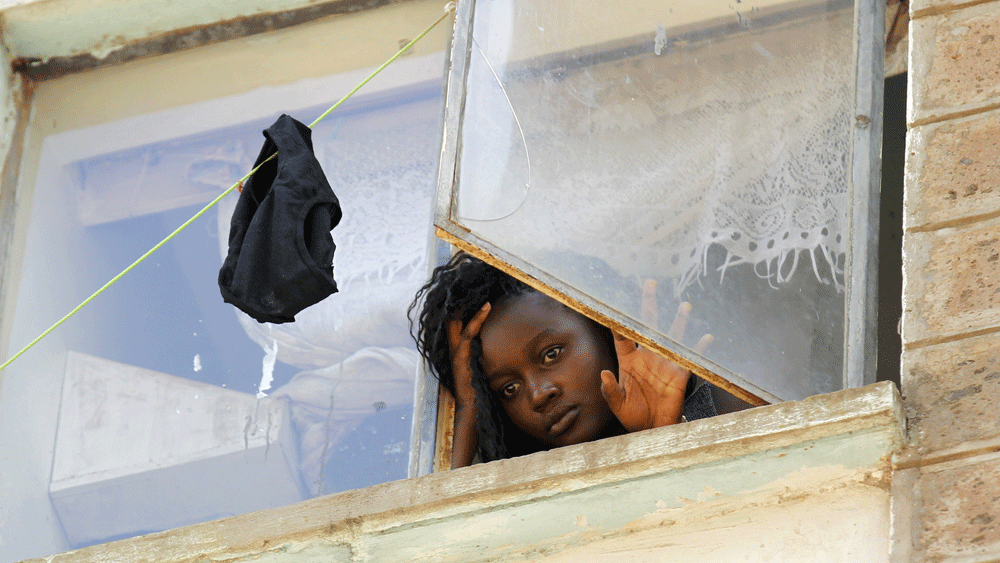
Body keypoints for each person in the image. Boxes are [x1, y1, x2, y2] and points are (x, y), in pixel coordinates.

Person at [409, 251, 716, 469]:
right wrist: (467, 418)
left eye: (551, 354)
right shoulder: (528, 494)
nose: (539, 394)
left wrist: (664, 436)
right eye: (509, 389)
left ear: (602, 325)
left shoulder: (721, 403)